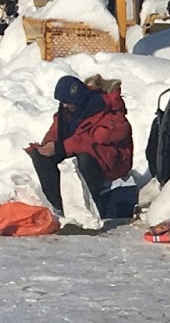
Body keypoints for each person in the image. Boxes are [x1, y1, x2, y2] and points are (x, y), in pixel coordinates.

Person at [25, 75, 133, 227]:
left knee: (85, 157)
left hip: (108, 161)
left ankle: (91, 205)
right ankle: (60, 205)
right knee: (41, 157)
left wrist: (61, 147)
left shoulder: (109, 112)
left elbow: (93, 140)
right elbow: (57, 130)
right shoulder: (67, 111)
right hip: (79, 152)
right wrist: (46, 146)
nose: (64, 106)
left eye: (67, 103)